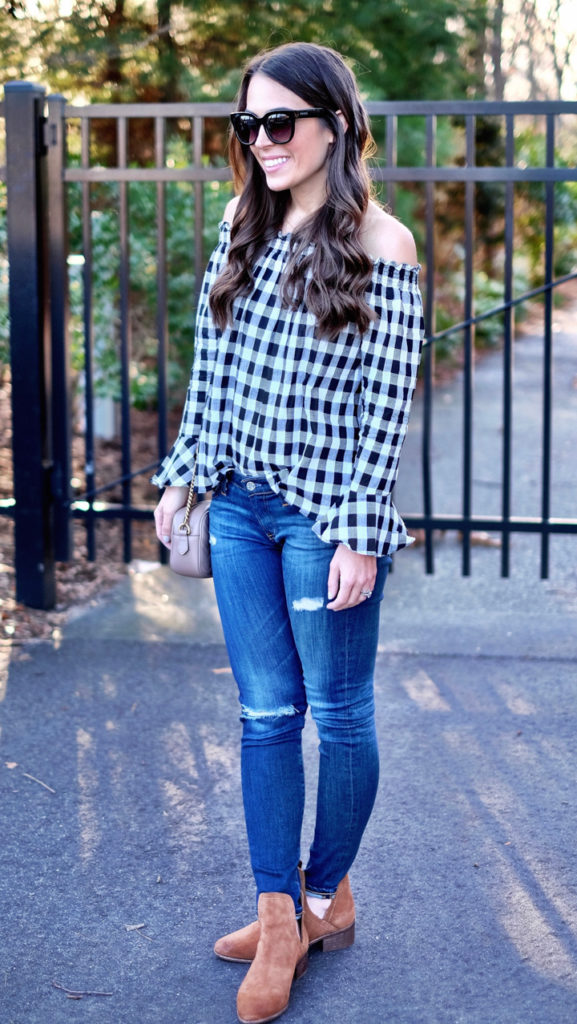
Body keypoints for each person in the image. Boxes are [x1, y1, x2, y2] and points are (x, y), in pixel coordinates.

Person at [153, 41, 424, 1024]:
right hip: (239, 508)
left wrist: (355, 533)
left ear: (336, 127)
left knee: (339, 710)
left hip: (322, 518)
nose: (260, 142)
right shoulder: (242, 223)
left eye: (280, 123)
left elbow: (383, 409)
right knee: (265, 713)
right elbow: (210, 371)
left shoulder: (381, 245)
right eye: (248, 125)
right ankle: (279, 911)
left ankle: (319, 896)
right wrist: (184, 475)